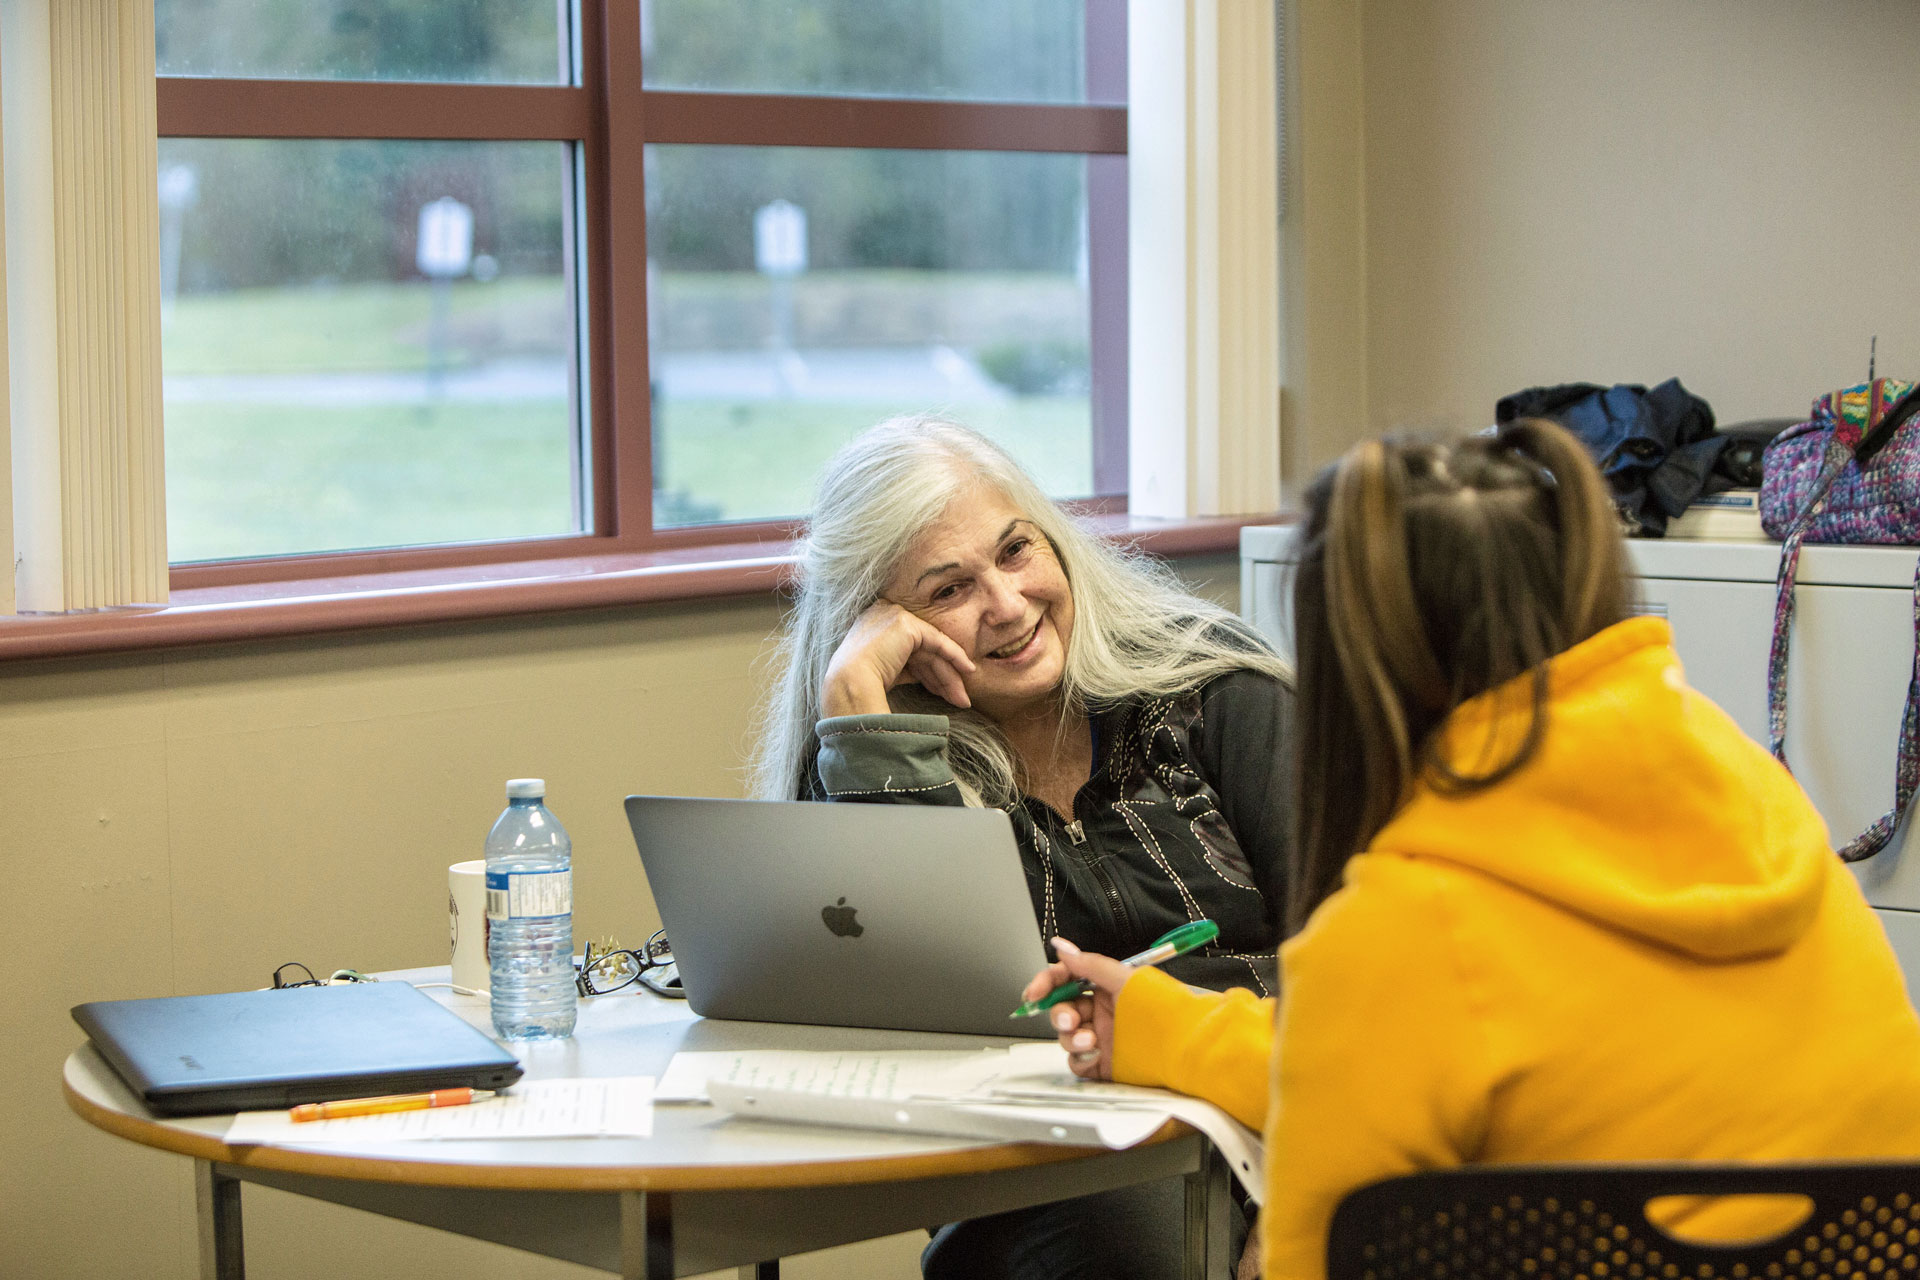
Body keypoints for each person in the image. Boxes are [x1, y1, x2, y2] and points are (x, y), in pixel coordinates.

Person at [1031, 419, 1920, 1280]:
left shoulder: (1407, 926)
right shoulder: (1739, 778)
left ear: (1353, 672)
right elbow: (1418, 1053)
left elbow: (1396, 1046)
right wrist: (1164, 1028)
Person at [750, 413, 1295, 1279]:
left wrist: (1313, 1192)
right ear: (886, 633)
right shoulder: (870, 751)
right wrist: (862, 720)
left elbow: (1363, 959)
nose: (1007, 607)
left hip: (1284, 1127)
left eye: (1014, 551)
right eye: (947, 590)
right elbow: (942, 1025)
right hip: (1037, 1173)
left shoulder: (1214, 686)